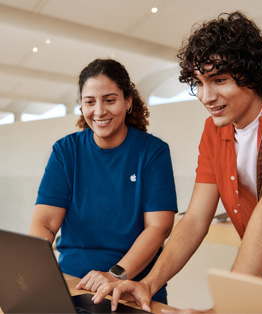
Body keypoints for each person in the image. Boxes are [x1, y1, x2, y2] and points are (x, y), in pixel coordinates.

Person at [89, 11, 262, 313]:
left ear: (253, 72)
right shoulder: (215, 129)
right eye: (199, 83)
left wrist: (222, 308)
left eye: (219, 80)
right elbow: (195, 219)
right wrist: (149, 283)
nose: (207, 97)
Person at [29, 58, 178, 304]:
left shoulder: (153, 152)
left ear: (128, 101)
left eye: (110, 100)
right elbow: (45, 221)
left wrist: (115, 274)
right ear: (82, 106)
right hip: (73, 283)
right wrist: (35, 268)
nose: (99, 111)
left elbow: (159, 228)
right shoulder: (66, 151)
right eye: (90, 102)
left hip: (131, 286)